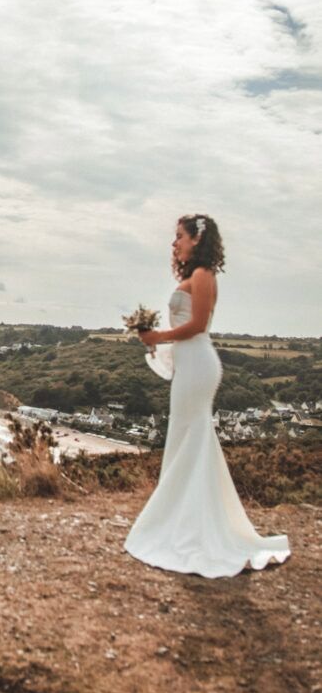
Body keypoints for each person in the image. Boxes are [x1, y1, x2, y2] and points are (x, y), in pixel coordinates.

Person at [124, 214, 290, 577]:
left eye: (179, 236)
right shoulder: (192, 276)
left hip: (199, 364)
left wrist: (158, 338)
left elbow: (197, 326)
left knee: (192, 436)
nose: (174, 243)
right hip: (190, 364)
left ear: (197, 240)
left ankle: (190, 526)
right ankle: (185, 518)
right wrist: (157, 338)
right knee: (187, 437)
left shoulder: (202, 276)